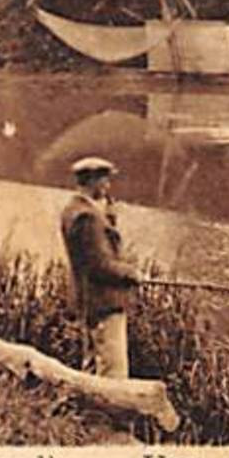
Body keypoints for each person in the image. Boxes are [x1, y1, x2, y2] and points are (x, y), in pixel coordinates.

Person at [60, 156, 140, 379]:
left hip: (90, 301)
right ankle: (106, 414)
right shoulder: (87, 217)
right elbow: (99, 266)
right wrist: (130, 273)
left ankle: (85, 413)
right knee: (113, 372)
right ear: (91, 180)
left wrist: (110, 220)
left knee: (93, 368)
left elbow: (96, 253)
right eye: (104, 180)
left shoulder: (75, 210)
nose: (108, 186)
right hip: (104, 303)